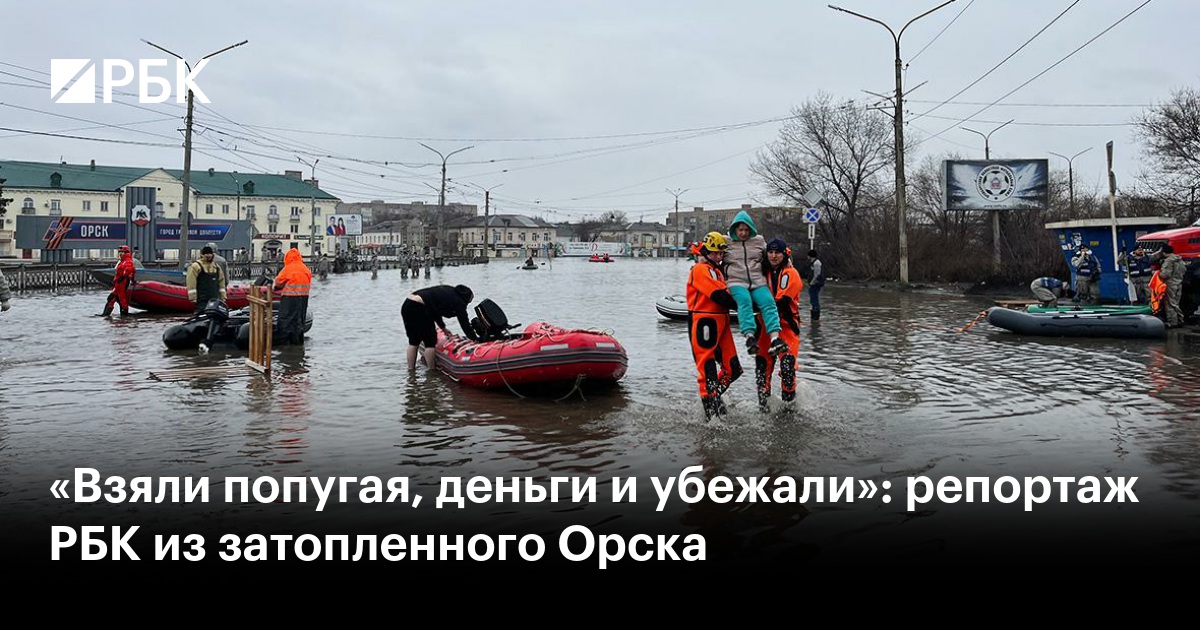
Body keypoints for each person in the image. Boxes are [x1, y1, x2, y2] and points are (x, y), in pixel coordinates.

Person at [687, 232, 743, 420]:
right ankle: (710, 411)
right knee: (707, 369)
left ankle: (715, 396)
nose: (718, 257)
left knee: (733, 369)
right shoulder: (700, 270)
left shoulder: (718, 271)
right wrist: (745, 305)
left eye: (721, 253)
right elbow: (718, 295)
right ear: (706, 251)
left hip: (721, 322)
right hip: (704, 322)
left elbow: (726, 295)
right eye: (715, 253)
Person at [725, 211, 788, 357]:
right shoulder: (726, 241)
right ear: (735, 229)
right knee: (744, 301)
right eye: (740, 230)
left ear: (751, 229)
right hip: (736, 281)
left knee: (768, 302)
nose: (743, 233)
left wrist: (787, 263)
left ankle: (775, 338)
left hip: (757, 280)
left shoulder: (759, 241)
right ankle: (750, 337)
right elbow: (709, 250)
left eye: (747, 230)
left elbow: (771, 255)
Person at [754, 238, 803, 411]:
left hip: (786, 327)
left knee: (788, 367)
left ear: (784, 254)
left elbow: (782, 303)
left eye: (777, 253)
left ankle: (789, 409)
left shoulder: (792, 274)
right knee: (762, 369)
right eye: (771, 252)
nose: (774, 256)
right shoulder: (760, 274)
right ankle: (764, 408)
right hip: (764, 328)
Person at [402, 284, 478, 371]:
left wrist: (443, 328)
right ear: (466, 299)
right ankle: (432, 371)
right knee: (430, 342)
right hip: (420, 306)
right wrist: (475, 339)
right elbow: (465, 325)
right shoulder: (459, 302)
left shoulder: (449, 292)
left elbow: (435, 312)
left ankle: (411, 371)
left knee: (413, 342)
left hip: (408, 304)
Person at [273, 247, 312, 345]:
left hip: (289, 298)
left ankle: (285, 348)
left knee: (286, 322)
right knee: (299, 322)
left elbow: (278, 282)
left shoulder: (288, 268)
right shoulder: (305, 268)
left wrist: (276, 287)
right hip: (303, 298)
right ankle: (298, 346)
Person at [186, 245, 227, 315]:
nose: (208, 255)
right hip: (201, 298)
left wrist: (223, 296)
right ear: (202, 254)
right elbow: (191, 281)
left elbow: (221, 282)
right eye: (206, 254)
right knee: (200, 314)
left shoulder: (216, 267)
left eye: (210, 253)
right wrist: (193, 297)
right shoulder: (196, 266)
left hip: (214, 298)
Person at [1156, 244, 1187, 328]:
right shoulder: (1179, 259)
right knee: (1176, 303)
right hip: (1178, 283)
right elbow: (1184, 270)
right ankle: (1180, 320)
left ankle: (1172, 322)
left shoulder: (1169, 261)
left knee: (1170, 303)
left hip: (1170, 284)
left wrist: (1157, 273)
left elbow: (1165, 274)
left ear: (1164, 252)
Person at [102, 245, 137, 317]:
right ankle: (106, 315)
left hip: (122, 283)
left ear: (126, 252)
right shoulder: (122, 261)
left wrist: (124, 277)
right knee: (112, 299)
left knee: (120, 299)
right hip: (118, 283)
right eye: (119, 252)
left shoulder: (127, 261)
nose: (120, 253)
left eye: (122, 252)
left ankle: (124, 316)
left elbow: (130, 270)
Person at [807, 249, 825, 321]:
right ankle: (814, 317)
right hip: (814, 284)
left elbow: (817, 274)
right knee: (813, 300)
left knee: (814, 300)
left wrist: (811, 283)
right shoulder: (814, 262)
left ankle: (815, 317)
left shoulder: (816, 263)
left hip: (815, 284)